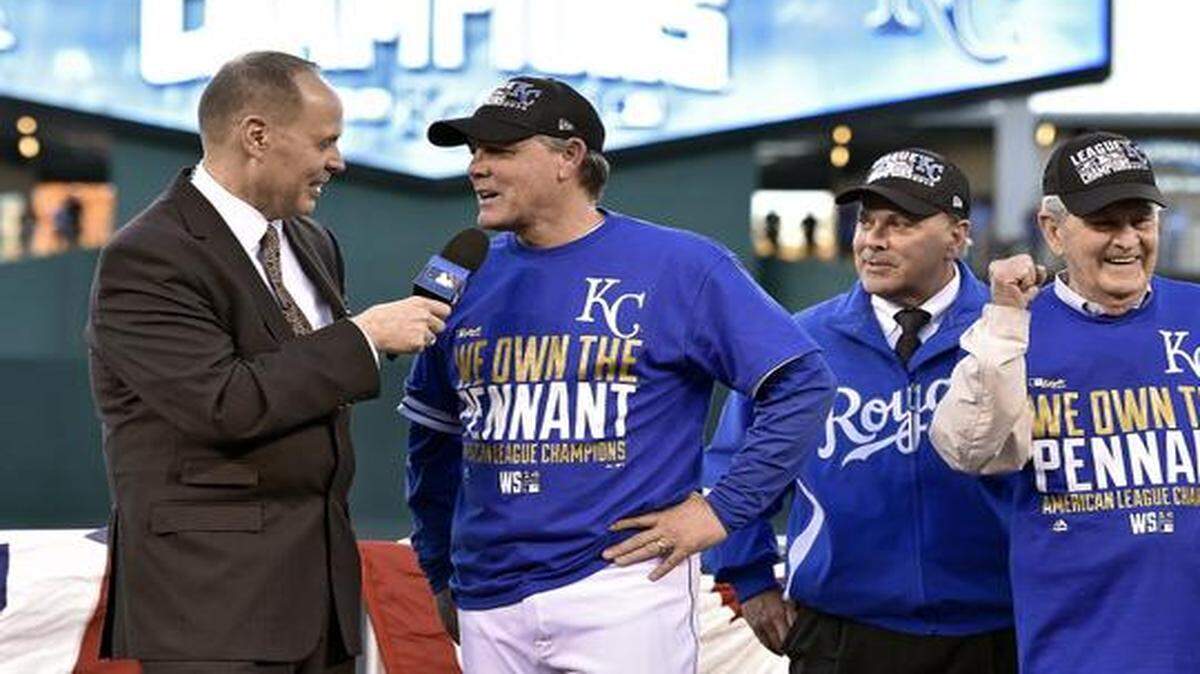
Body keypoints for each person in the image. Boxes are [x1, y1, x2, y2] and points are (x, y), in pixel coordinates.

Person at [400, 75, 836, 674]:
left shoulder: (680, 264)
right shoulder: (461, 276)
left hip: (624, 584)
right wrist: (439, 570)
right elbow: (432, 442)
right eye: (473, 151)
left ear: (569, 158)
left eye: (499, 150)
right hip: (487, 593)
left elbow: (803, 381)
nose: (476, 167)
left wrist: (722, 509)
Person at [86, 51, 449, 673]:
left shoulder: (310, 241)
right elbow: (222, 404)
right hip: (212, 609)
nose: (337, 161)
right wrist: (363, 338)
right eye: (324, 141)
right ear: (256, 135)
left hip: (316, 603)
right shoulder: (148, 256)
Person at [705, 149, 1016, 674]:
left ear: (958, 235)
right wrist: (749, 578)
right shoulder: (800, 341)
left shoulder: (1008, 336)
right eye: (867, 221)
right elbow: (733, 467)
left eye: (901, 223)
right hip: (842, 632)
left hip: (994, 632)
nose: (873, 239)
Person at [930, 130, 1200, 674]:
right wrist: (1006, 320)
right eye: (1105, 223)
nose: (1127, 240)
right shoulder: (1009, 330)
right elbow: (969, 451)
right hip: (1077, 652)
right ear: (1053, 230)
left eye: (1139, 220)